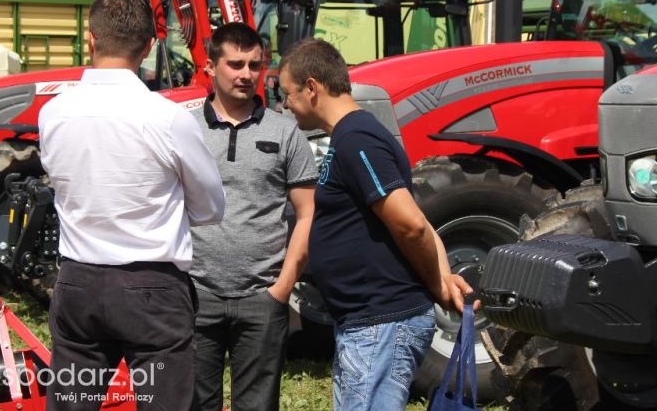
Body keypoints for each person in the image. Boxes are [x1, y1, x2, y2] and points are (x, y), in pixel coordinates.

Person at [38, 0, 225, 411]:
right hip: (152, 288)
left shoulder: (53, 112)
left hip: (78, 280)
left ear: (90, 39)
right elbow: (211, 209)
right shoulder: (168, 117)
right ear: (150, 46)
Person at [278, 38, 475, 411]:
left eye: (288, 94)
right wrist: (444, 274)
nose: (286, 105)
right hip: (369, 324)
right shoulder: (350, 137)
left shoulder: (356, 140)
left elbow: (410, 225)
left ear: (311, 88)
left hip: (380, 324)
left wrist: (436, 284)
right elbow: (415, 217)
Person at [190, 23, 318, 411]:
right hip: (196, 294)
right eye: (235, 64)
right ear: (211, 66)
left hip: (262, 296)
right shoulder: (185, 129)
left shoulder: (286, 132)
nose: (246, 74)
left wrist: (281, 289)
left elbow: (308, 213)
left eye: (255, 65)